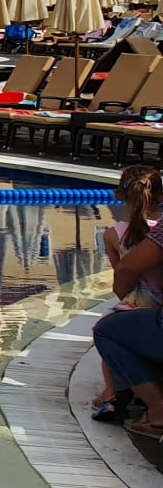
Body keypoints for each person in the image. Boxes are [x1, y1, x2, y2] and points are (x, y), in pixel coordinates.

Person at [89, 168, 163, 434]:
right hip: (157, 305)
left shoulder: (114, 234)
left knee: (107, 328)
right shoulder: (157, 229)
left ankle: (114, 394)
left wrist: (126, 300)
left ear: (120, 195)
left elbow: (123, 272)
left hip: (139, 303)